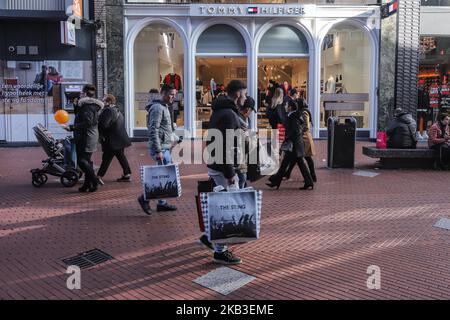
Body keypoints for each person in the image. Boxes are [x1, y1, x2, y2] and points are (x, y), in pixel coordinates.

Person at [205, 79, 248, 265]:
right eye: (244, 93)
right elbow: (227, 146)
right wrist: (231, 173)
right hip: (224, 169)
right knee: (228, 210)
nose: (245, 98)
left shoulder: (219, 110)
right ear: (237, 93)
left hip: (217, 165)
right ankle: (220, 251)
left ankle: (210, 237)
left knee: (222, 205)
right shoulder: (229, 114)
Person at [137, 84, 181, 214]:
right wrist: (158, 151)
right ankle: (144, 198)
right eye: (171, 94)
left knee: (164, 176)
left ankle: (162, 203)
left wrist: (173, 139)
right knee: (160, 177)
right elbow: (153, 130)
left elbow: (164, 128)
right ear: (163, 93)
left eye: (174, 94)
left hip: (164, 147)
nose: (173, 97)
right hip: (160, 148)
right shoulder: (157, 108)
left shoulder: (164, 106)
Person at [266, 99, 314, 190]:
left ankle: (276, 181)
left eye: (287, 105)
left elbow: (295, 131)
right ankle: (308, 182)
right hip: (295, 144)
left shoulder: (294, 116)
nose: (285, 107)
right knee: (291, 163)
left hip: (294, 145)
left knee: (291, 163)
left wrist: (287, 139)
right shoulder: (292, 115)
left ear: (290, 107)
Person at [63, 84, 103, 192]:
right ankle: (87, 185)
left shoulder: (87, 107)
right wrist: (76, 105)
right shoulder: (88, 105)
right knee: (87, 161)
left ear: (84, 93)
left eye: (81, 92)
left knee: (82, 161)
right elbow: (81, 117)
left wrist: (72, 127)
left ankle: (94, 181)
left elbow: (87, 122)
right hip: (87, 136)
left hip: (87, 137)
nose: (80, 94)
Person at [97, 94, 132, 184]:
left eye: (104, 100)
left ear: (108, 102)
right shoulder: (117, 110)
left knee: (106, 158)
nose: (102, 102)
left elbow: (103, 125)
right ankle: (127, 174)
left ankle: (99, 176)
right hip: (120, 138)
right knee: (121, 157)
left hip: (112, 140)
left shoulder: (108, 111)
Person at [236, 96, 256, 189]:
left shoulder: (248, 120)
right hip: (237, 151)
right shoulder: (235, 118)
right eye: (251, 111)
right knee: (242, 177)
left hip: (244, 152)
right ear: (247, 109)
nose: (251, 113)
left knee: (243, 177)